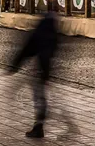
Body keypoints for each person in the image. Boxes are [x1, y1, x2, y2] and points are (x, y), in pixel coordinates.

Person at [8, 8, 61, 138]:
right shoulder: (53, 33)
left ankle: (39, 126)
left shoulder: (40, 32)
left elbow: (27, 49)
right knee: (42, 97)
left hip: (39, 70)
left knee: (39, 98)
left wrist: (15, 66)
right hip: (47, 70)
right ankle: (41, 124)